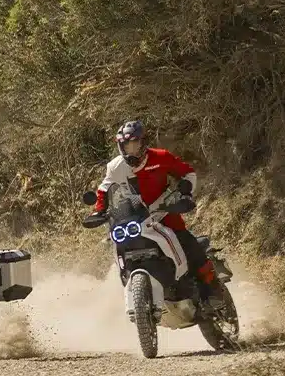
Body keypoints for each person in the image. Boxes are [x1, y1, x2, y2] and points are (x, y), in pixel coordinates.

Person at [92, 119, 217, 299]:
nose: (131, 149)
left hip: (165, 211)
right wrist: (99, 211)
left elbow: (187, 172)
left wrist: (186, 193)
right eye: (126, 146)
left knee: (189, 245)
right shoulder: (115, 166)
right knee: (118, 242)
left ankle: (211, 292)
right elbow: (104, 189)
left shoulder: (161, 157)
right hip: (136, 218)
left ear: (143, 143)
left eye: (135, 144)